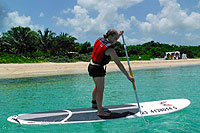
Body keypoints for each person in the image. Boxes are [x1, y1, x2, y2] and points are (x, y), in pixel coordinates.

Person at [88, 29, 135, 117]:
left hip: (91, 66)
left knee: (97, 87)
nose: (116, 40)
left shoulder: (100, 39)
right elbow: (119, 64)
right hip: (98, 69)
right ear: (110, 36)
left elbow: (111, 42)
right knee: (100, 90)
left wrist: (119, 35)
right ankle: (100, 111)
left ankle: (94, 103)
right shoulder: (110, 50)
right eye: (116, 38)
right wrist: (128, 76)